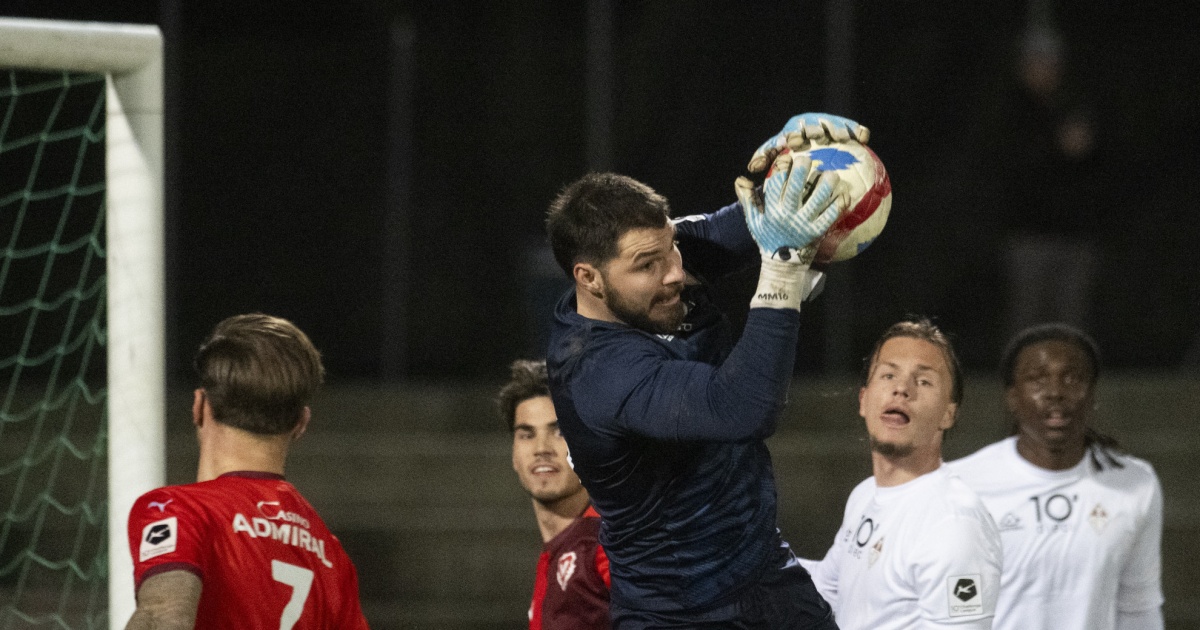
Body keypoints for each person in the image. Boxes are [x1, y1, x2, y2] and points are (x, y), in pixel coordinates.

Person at [545, 113, 866, 628]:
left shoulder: (653, 259)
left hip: (767, 577)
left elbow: (754, 224)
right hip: (679, 613)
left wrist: (796, 171)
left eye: (672, 245)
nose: (675, 271)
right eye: (648, 264)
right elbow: (741, 409)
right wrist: (782, 271)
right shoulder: (594, 371)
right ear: (589, 278)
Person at [124, 313, 369, 629]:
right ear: (301, 423)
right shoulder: (331, 555)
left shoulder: (176, 510)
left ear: (199, 406)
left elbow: (163, 617)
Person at [949, 323, 1164, 630]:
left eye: (1072, 378)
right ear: (1012, 397)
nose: (1055, 392)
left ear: (1092, 394)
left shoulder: (1134, 483)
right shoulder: (962, 485)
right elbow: (954, 609)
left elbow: (1139, 607)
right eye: (1037, 379)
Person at [800, 318, 1002, 629]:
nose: (902, 389)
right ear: (864, 400)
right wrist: (749, 551)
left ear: (948, 414)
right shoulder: (865, 494)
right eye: (889, 374)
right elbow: (828, 590)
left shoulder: (954, 525)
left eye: (923, 381)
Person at [497, 359, 611, 629]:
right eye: (527, 435)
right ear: (514, 455)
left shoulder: (608, 542)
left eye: (559, 431)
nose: (541, 448)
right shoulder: (556, 553)